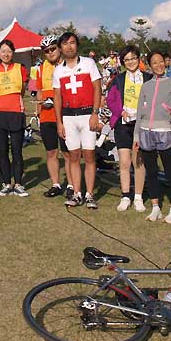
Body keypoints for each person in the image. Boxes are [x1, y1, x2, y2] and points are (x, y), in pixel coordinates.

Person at [133, 51, 171, 223]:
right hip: (146, 132)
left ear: (166, 62)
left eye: (161, 61)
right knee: (152, 172)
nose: (158, 65)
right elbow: (140, 111)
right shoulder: (146, 86)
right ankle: (155, 207)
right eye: (154, 63)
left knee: (170, 171)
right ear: (149, 65)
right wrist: (136, 136)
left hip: (165, 133)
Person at [53, 32, 102, 209]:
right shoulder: (58, 70)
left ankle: (89, 194)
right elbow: (57, 97)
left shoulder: (89, 63)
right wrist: (59, 122)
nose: (69, 47)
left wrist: (95, 113)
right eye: (65, 44)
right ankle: (76, 193)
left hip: (87, 114)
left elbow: (97, 88)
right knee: (73, 156)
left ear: (77, 45)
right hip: (68, 117)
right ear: (60, 48)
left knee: (89, 154)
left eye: (72, 43)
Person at [106, 45, 152, 211]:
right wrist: (121, 111)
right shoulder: (118, 79)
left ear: (139, 59)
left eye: (133, 58)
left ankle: (138, 197)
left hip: (142, 125)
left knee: (138, 161)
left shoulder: (148, 78)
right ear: (122, 62)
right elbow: (110, 99)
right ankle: (126, 195)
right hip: (123, 124)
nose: (131, 62)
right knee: (124, 162)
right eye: (127, 59)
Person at [0, 39, 29, 197]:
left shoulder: (20, 68)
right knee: (2, 151)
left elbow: (23, 90)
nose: (6, 54)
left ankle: (18, 184)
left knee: (17, 151)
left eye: (9, 51)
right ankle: (6, 184)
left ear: (13, 52)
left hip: (16, 112)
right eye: (3, 51)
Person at [36, 35, 71, 199]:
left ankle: (71, 184)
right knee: (51, 152)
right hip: (47, 116)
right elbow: (39, 91)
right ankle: (56, 184)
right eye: (46, 51)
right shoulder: (41, 68)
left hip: (65, 116)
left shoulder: (68, 65)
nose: (50, 53)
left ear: (59, 48)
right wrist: (40, 105)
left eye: (53, 49)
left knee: (68, 153)